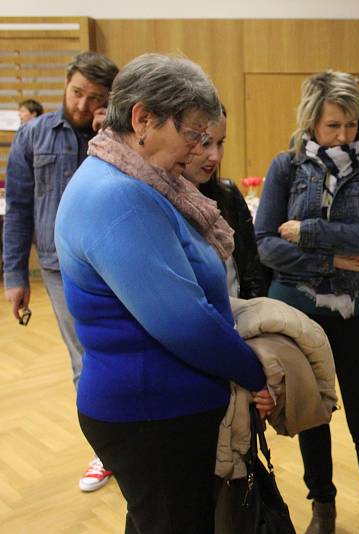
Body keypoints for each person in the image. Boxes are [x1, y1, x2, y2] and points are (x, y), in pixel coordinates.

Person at [54, 53, 274, 534]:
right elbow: (183, 321)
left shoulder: (142, 181)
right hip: (150, 413)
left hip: (160, 407)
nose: (203, 151)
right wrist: (255, 373)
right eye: (194, 135)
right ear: (142, 119)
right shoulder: (119, 196)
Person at [255, 70, 359, 534]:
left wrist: (310, 233)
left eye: (351, 125)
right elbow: (265, 243)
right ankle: (323, 507)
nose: (344, 135)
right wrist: (335, 259)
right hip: (300, 311)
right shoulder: (286, 167)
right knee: (312, 414)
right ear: (311, 125)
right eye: (333, 126)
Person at [3, 51, 118, 492]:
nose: (83, 105)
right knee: (83, 360)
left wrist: (110, 131)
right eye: (77, 93)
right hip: (57, 265)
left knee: (122, 348)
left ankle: (132, 439)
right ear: (65, 86)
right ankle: (106, 450)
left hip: (114, 258)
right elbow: (18, 211)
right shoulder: (32, 136)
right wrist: (15, 278)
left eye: (96, 98)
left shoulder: (120, 133)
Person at [183, 105, 270, 298]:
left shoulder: (228, 195)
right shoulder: (158, 200)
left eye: (220, 143)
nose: (215, 156)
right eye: (205, 143)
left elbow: (252, 273)